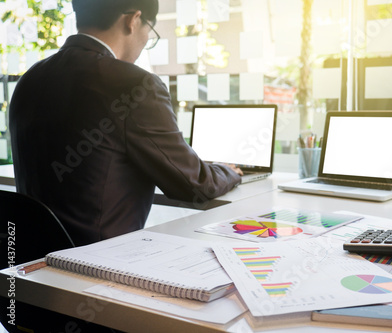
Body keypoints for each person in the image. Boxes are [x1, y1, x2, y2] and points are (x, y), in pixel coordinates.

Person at [9, 0, 242, 247]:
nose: (144, 44)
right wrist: (230, 171)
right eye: (149, 33)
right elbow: (194, 184)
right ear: (133, 20)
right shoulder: (134, 84)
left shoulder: (30, 79)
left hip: (29, 263)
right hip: (98, 266)